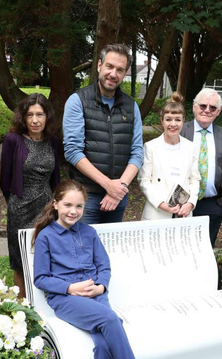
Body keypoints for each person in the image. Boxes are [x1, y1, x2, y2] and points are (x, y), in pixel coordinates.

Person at [32, 180, 168, 359]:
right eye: (68, 205)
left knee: (104, 344)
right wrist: (70, 287)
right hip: (66, 299)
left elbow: (103, 266)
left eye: (79, 206)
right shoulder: (47, 236)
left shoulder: (90, 233)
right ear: (56, 204)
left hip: (96, 295)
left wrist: (101, 286)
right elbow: (41, 278)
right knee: (111, 319)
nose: (73, 211)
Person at [63, 43, 144, 224]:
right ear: (100, 65)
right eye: (109, 66)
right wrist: (108, 184)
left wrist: (119, 189)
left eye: (120, 70)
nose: (113, 74)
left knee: (110, 251)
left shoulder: (132, 107)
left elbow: (137, 152)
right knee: (83, 250)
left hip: (117, 198)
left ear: (125, 74)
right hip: (85, 196)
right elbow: (72, 151)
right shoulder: (78, 101)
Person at [0, 93, 62, 298]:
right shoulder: (13, 140)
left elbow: (56, 178)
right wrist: (16, 202)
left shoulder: (52, 141)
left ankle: (43, 304)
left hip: (45, 208)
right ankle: (23, 306)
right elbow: (5, 180)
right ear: (23, 118)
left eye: (40, 114)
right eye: (30, 115)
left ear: (47, 117)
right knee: (20, 262)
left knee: (44, 258)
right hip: (20, 208)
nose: (35, 120)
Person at [180, 88, 222, 246]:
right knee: (180, 248)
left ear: (218, 111)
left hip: (213, 204)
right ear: (194, 106)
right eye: (203, 105)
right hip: (181, 202)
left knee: (205, 249)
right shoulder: (180, 131)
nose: (207, 110)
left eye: (212, 108)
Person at [137, 92, 201, 220]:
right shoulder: (151, 147)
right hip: (157, 213)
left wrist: (191, 203)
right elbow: (144, 180)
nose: (173, 124)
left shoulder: (191, 147)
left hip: (182, 214)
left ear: (183, 121)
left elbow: (194, 179)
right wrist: (161, 204)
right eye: (168, 119)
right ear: (162, 121)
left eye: (177, 120)